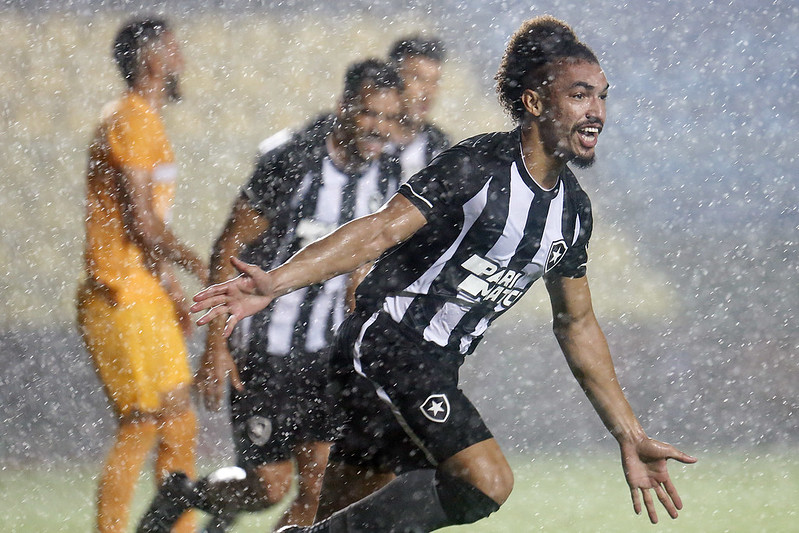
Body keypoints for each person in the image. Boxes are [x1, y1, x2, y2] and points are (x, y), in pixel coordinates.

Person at [192, 16, 698, 532]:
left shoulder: (573, 213)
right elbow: (379, 231)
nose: (597, 112)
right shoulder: (477, 165)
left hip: (430, 363)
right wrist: (275, 282)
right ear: (535, 103)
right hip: (387, 343)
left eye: (602, 97)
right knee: (485, 481)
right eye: (580, 95)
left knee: (337, 509)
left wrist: (629, 435)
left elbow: (577, 323)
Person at [137, 59, 405, 533]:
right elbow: (229, 245)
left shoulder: (384, 176)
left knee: (319, 487)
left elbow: (360, 261)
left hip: (326, 357)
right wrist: (216, 346)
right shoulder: (292, 161)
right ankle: (189, 494)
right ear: (344, 107)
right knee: (269, 488)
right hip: (265, 352)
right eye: (369, 114)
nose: (378, 129)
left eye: (389, 119)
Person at [76, 17, 207, 533]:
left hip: (145, 292)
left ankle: (178, 527)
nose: (181, 60)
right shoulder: (128, 119)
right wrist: (199, 266)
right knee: (141, 424)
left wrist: (170, 287)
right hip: (116, 294)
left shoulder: (148, 121)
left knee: (180, 421)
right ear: (152, 59)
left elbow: (146, 231)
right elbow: (141, 221)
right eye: (174, 49)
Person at [387, 35, 451, 183]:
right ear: (393, 78)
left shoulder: (439, 149)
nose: (428, 92)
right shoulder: (367, 138)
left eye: (435, 81)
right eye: (418, 78)